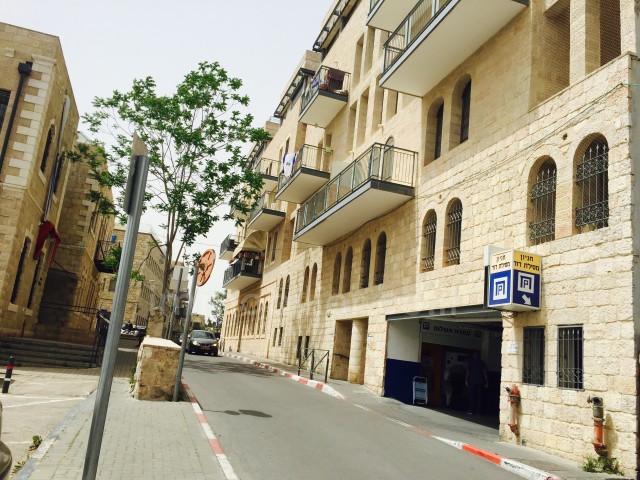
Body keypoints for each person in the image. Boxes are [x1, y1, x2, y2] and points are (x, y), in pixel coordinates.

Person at [466, 351, 488, 415]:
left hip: (472, 381)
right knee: (479, 397)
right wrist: (486, 382)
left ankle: (471, 410)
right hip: (480, 381)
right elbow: (485, 373)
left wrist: (466, 380)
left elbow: (468, 372)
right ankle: (478, 411)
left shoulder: (470, 362)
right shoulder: (482, 363)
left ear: (473, 355)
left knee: (471, 396)